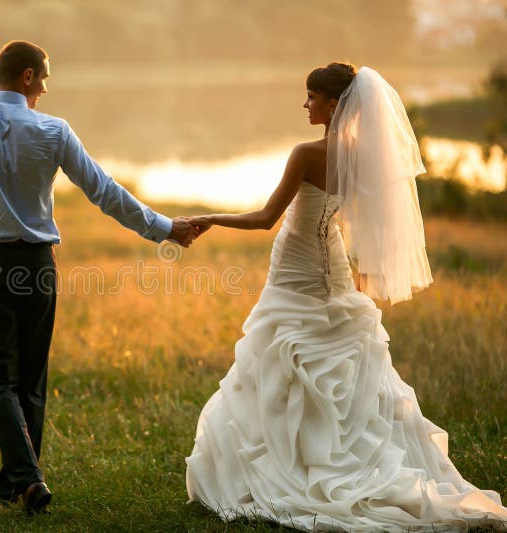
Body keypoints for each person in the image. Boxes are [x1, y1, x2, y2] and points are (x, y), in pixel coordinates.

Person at [184, 62, 507, 531]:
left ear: (334, 104)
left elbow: (266, 217)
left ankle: (290, 469)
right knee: (333, 361)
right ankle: (335, 456)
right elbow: (361, 225)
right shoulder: (364, 154)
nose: (306, 104)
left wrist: (210, 217)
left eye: (312, 96)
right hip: (332, 265)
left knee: (281, 358)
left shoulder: (306, 153)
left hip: (296, 268)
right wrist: (358, 279)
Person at [0, 40, 198, 515]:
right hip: (37, 268)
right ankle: (20, 481)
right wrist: (164, 228)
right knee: (30, 378)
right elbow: (104, 191)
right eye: (43, 78)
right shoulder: (53, 131)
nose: (46, 88)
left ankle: (25, 479)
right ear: (26, 76)